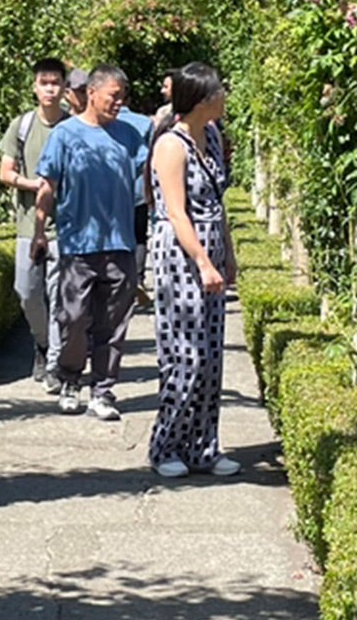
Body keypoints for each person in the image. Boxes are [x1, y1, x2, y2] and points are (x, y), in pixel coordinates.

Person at [34, 65, 150, 419]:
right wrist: (40, 231)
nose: (118, 103)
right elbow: (47, 186)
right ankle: (70, 381)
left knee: (113, 324)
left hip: (119, 245)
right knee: (72, 319)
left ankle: (103, 389)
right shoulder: (65, 135)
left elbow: (147, 183)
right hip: (77, 245)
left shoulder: (130, 135)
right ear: (93, 93)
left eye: (122, 97)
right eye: (113, 96)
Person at [147, 63, 239, 479]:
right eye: (219, 91)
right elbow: (176, 211)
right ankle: (166, 445)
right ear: (201, 100)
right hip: (181, 256)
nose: (224, 97)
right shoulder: (171, 145)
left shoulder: (214, 137)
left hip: (211, 252)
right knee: (186, 355)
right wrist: (202, 260)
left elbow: (217, 203)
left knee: (212, 357)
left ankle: (203, 447)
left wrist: (227, 255)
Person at [0, 58, 73, 391]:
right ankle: (42, 343)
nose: (50, 89)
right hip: (29, 226)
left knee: (59, 297)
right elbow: (5, 173)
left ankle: (54, 363)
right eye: (44, 82)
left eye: (56, 82)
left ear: (64, 87)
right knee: (27, 293)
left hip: (67, 229)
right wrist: (35, 185)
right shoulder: (22, 126)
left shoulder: (74, 127)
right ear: (35, 86)